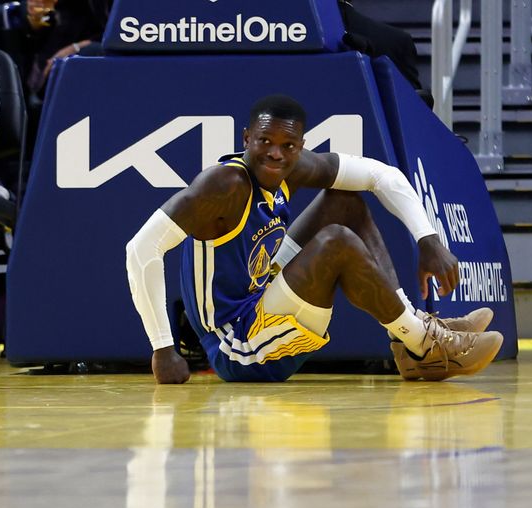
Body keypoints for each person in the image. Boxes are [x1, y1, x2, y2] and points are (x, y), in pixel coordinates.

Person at [126, 94, 503, 384]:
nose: (275, 154)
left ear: (300, 146)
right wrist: (162, 348)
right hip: (237, 346)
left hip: (263, 299)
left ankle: (413, 333)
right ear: (247, 138)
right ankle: (425, 343)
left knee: (344, 202)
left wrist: (428, 239)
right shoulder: (223, 185)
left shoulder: (293, 167)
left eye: (287, 146)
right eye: (264, 141)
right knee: (335, 241)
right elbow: (141, 249)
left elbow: (379, 175)